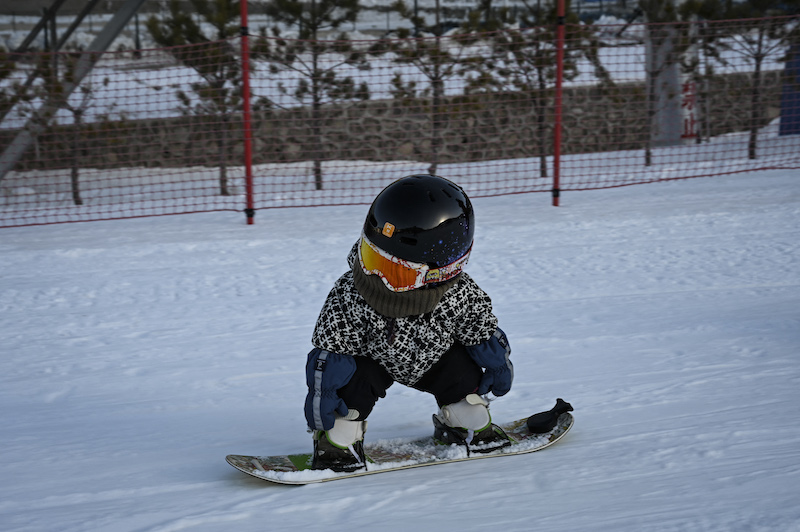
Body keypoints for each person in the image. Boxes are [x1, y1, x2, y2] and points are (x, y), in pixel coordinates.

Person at [303, 174, 514, 472]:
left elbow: (480, 332)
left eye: (394, 272)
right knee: (351, 387)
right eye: (372, 260)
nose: (376, 278)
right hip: (372, 363)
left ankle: (459, 420)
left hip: (437, 361)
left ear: (439, 273)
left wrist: (497, 364)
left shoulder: (459, 294)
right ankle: (338, 438)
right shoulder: (350, 292)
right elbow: (333, 350)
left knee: (463, 381)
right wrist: (323, 394)